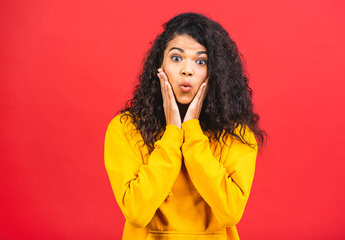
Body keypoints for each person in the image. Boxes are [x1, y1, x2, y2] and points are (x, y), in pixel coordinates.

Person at [104, 12, 266, 240]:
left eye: (201, 61)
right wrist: (172, 133)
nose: (186, 70)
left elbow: (230, 212)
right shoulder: (125, 128)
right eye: (176, 58)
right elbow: (137, 213)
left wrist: (191, 129)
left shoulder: (237, 135)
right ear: (159, 65)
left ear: (216, 74)